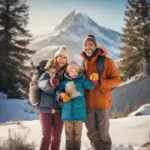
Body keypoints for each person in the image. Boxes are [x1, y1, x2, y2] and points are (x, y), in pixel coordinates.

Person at [80, 34, 121, 150]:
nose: (88, 47)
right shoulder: (83, 63)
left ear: (96, 46)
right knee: (92, 134)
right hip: (88, 105)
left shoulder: (107, 61)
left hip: (102, 104)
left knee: (104, 134)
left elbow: (117, 80)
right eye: (85, 45)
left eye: (90, 45)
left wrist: (100, 83)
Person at [56, 61, 99, 150]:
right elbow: (57, 91)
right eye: (72, 71)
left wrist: (94, 80)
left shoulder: (81, 80)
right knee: (69, 137)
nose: (74, 73)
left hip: (79, 113)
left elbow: (91, 86)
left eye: (75, 71)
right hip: (67, 114)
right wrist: (61, 95)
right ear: (68, 72)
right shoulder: (64, 82)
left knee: (77, 137)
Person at [37, 45, 69, 150]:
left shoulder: (67, 74)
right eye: (60, 56)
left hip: (60, 109)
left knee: (57, 137)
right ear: (56, 57)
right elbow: (40, 84)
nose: (62, 59)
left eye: (65, 57)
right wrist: (49, 83)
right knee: (46, 136)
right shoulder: (48, 72)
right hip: (45, 109)